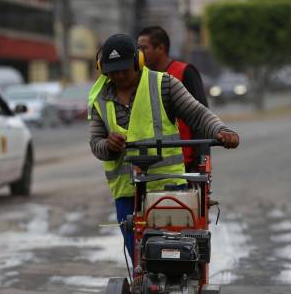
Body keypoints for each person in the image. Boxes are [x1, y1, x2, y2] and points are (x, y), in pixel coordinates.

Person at [88, 33, 239, 262]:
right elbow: (95, 144)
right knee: (140, 259)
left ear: (138, 63)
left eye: (124, 70)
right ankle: (143, 293)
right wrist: (108, 145)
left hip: (168, 187)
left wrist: (221, 131)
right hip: (127, 193)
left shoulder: (164, 84)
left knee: (175, 255)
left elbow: (197, 113)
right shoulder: (99, 98)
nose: (118, 76)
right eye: (112, 71)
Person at [137, 25, 208, 171]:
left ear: (160, 48)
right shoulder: (141, 78)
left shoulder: (185, 72)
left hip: (186, 162)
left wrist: (201, 159)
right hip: (153, 163)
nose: (140, 53)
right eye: (138, 49)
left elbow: (201, 118)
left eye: (144, 48)